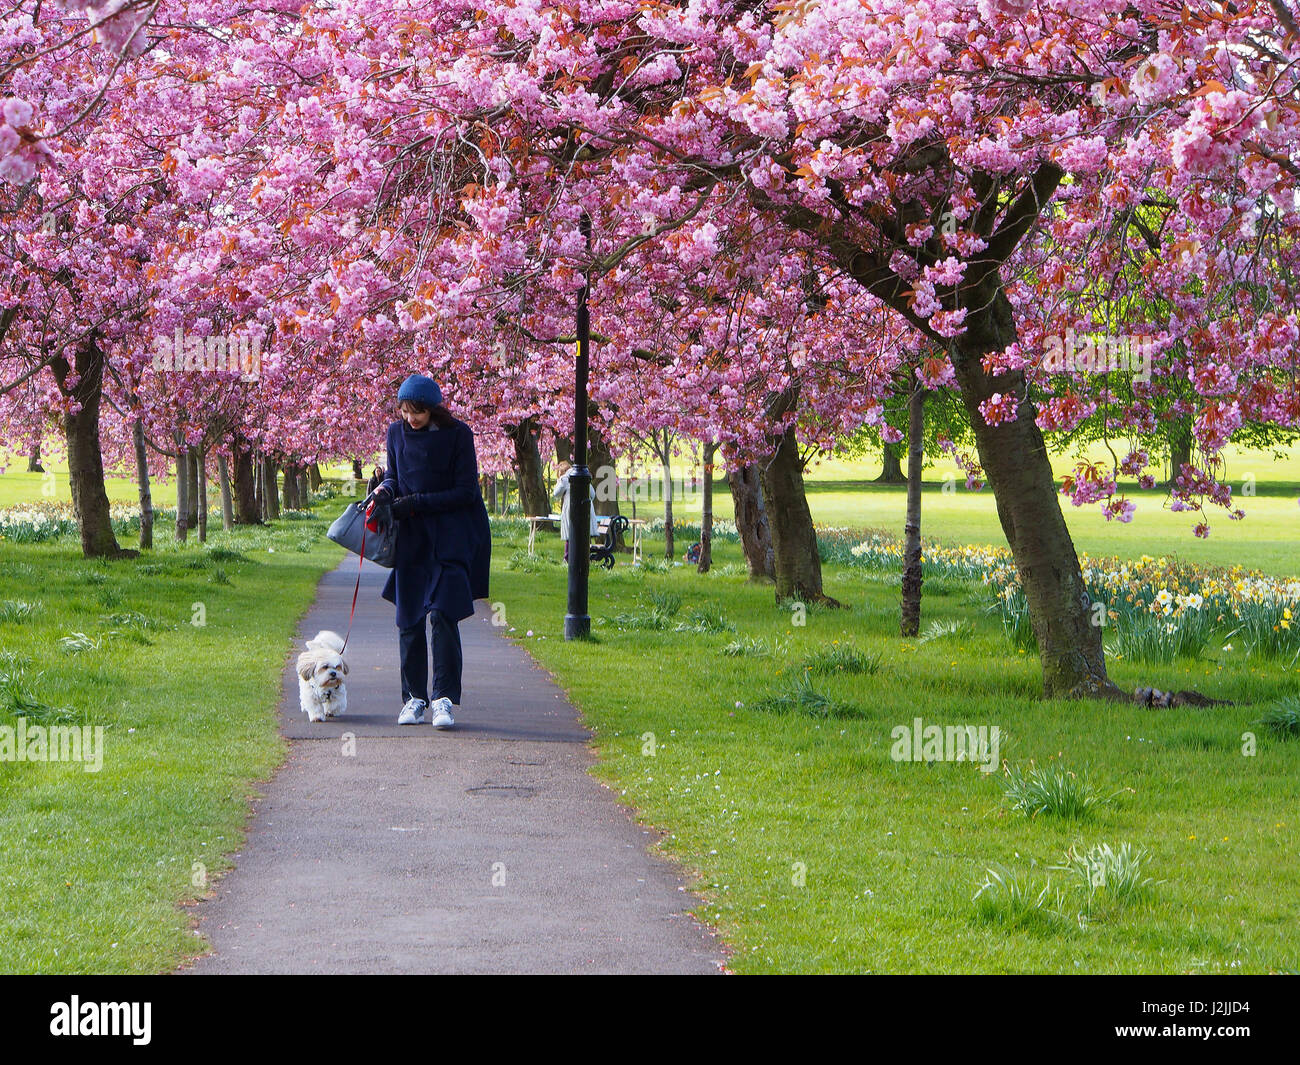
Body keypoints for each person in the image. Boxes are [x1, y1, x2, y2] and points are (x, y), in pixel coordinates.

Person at [370, 374, 490, 729]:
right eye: (405, 411)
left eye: (417, 412)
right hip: (412, 539)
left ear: (433, 408)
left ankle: (442, 699)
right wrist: (384, 492)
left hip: (451, 536)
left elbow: (466, 491)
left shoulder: (458, 435)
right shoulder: (396, 433)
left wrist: (417, 503)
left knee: (442, 615)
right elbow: (395, 476)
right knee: (408, 620)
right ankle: (413, 699)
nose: (411, 419)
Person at [552, 459, 598, 562]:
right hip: (586, 510)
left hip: (571, 510)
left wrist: (560, 480)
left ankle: (567, 558)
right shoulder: (583, 474)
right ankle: (585, 558)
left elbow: (556, 494)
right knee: (585, 535)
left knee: (570, 534)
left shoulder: (565, 478)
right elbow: (593, 495)